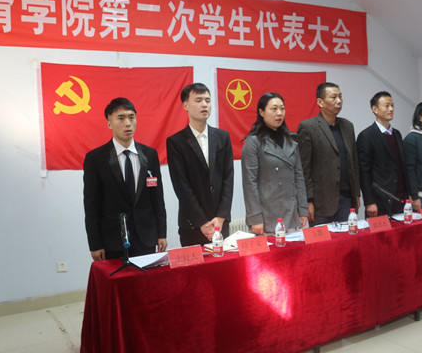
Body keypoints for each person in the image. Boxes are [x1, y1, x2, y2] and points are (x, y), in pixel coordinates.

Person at [84, 97, 167, 261]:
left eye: (131, 117)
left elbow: (157, 198)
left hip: (146, 238)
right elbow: (91, 205)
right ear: (109, 123)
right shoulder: (96, 158)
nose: (127, 123)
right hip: (112, 240)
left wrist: (161, 233)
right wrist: (95, 244)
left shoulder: (149, 154)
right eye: (121, 118)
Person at [167, 83, 234, 246]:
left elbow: (228, 179)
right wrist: (202, 222)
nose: (204, 104)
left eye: (207, 100)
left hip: (220, 224)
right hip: (192, 225)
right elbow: (181, 186)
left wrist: (221, 217)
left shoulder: (222, 137)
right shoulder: (176, 142)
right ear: (185, 105)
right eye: (198, 100)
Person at [241, 92, 309, 234]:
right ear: (261, 112)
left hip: (292, 213)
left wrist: (303, 209)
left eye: (282, 108)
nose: (279, 113)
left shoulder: (291, 139)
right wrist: (255, 218)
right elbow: (249, 184)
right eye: (274, 109)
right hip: (267, 216)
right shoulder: (254, 141)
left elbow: (299, 177)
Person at [297, 82, 360, 225]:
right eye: (333, 97)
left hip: (347, 200)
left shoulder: (348, 126)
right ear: (320, 102)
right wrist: (308, 201)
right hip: (321, 204)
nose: (339, 101)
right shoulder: (308, 127)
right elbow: (303, 169)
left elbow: (354, 163)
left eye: (340, 97)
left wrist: (356, 193)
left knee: (348, 238)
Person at [357, 91, 409, 216]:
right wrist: (369, 202)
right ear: (375, 109)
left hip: (400, 198)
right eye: (387, 106)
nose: (391, 109)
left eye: (392, 105)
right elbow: (364, 172)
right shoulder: (366, 136)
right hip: (380, 200)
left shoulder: (396, 134)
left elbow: (402, 167)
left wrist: (409, 195)